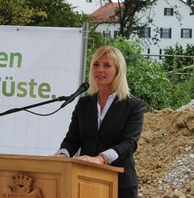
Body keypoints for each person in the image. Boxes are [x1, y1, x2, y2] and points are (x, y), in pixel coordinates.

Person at [55, 45, 145, 198]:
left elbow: (129, 143)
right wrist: (62, 156)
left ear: (118, 71)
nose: (99, 70)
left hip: (120, 185)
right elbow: (72, 139)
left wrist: (101, 159)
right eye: (96, 64)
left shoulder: (133, 106)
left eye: (107, 65)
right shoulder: (84, 104)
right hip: (84, 182)